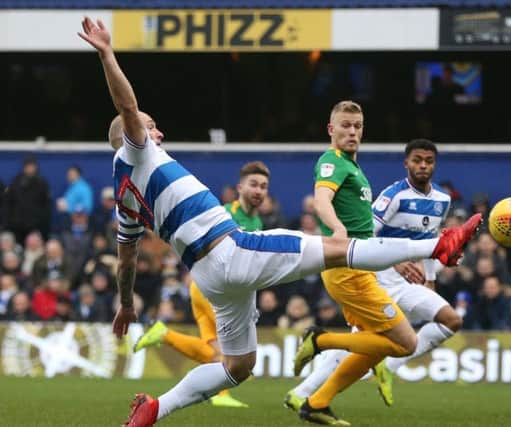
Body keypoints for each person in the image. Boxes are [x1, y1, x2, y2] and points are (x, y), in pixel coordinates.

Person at [78, 17, 480, 427]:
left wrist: (126, 305)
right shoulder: (137, 152)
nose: (158, 132)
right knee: (339, 249)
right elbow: (126, 106)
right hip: (232, 250)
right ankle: (439, 245)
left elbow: (125, 260)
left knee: (237, 365)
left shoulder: (124, 196)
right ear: (132, 133)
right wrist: (108, 54)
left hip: (210, 277)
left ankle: (153, 410)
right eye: (151, 126)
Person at [285, 139, 463, 415]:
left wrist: (430, 279)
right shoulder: (393, 195)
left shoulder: (442, 200)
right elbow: (369, 236)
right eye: (417, 160)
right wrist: (398, 262)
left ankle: (388, 367)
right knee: (363, 343)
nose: (423, 165)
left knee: (451, 320)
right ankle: (302, 392)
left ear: (435, 165)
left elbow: (432, 242)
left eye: (429, 161)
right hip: (380, 276)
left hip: (410, 283)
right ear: (406, 163)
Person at [133, 161, 271, 409]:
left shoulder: (257, 223)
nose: (259, 191)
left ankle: (164, 334)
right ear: (240, 187)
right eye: (254, 185)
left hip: (212, 290)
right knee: (228, 354)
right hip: (213, 291)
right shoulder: (224, 214)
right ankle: (222, 395)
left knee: (210, 351)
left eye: (263, 186)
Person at [5, 156, 52, 243]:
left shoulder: (42, 183)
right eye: (28, 166)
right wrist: (10, 223)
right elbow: (9, 203)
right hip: (17, 226)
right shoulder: (16, 182)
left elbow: (46, 206)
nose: (30, 169)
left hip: (35, 226)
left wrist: (42, 225)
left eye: (32, 166)